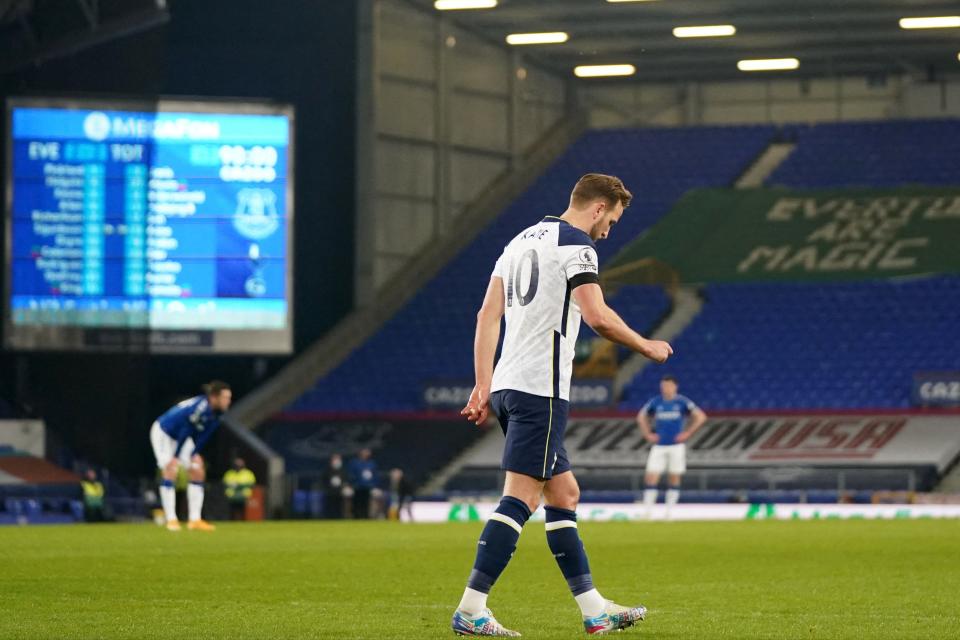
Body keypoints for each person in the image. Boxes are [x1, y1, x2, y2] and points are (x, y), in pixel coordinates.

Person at [454, 174, 673, 636]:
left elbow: (486, 316)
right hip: (541, 388)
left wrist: (482, 384)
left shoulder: (517, 242)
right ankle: (471, 608)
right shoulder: (577, 245)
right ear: (598, 207)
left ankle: (595, 610)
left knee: (564, 493)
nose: (609, 231)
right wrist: (646, 346)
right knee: (521, 497)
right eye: (611, 220)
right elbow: (597, 317)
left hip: (508, 386)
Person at [149, 380, 232, 532]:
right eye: (225, 397)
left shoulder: (217, 413)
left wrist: (194, 454)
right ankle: (171, 519)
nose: (228, 401)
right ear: (214, 397)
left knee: (198, 470)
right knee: (170, 470)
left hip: (182, 437)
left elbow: (204, 435)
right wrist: (175, 456)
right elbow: (185, 430)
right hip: (164, 433)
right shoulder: (200, 409)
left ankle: (195, 519)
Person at [637, 375, 707, 519]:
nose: (665, 389)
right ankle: (648, 511)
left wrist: (687, 433)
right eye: (663, 386)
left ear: (675, 386)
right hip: (659, 445)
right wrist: (648, 433)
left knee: (674, 476)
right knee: (651, 475)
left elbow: (700, 416)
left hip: (676, 445)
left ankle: (670, 511)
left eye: (668, 386)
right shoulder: (656, 402)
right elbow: (641, 416)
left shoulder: (682, 402)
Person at [348, 448, 378, 519]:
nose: (366, 454)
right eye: (364, 452)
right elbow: (351, 474)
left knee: (366, 503)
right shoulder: (355, 463)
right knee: (357, 502)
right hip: (357, 487)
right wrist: (352, 484)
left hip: (367, 487)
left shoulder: (371, 463)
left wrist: (374, 485)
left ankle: (365, 516)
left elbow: (375, 475)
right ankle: (356, 516)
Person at [322, 453, 348, 519]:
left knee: (340, 507)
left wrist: (345, 487)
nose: (337, 461)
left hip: (340, 492)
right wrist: (327, 488)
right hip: (330, 492)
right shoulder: (327, 470)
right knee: (330, 507)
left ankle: (339, 518)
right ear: (331, 460)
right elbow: (324, 481)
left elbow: (346, 480)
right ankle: (329, 519)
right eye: (335, 459)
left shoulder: (343, 471)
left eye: (338, 459)